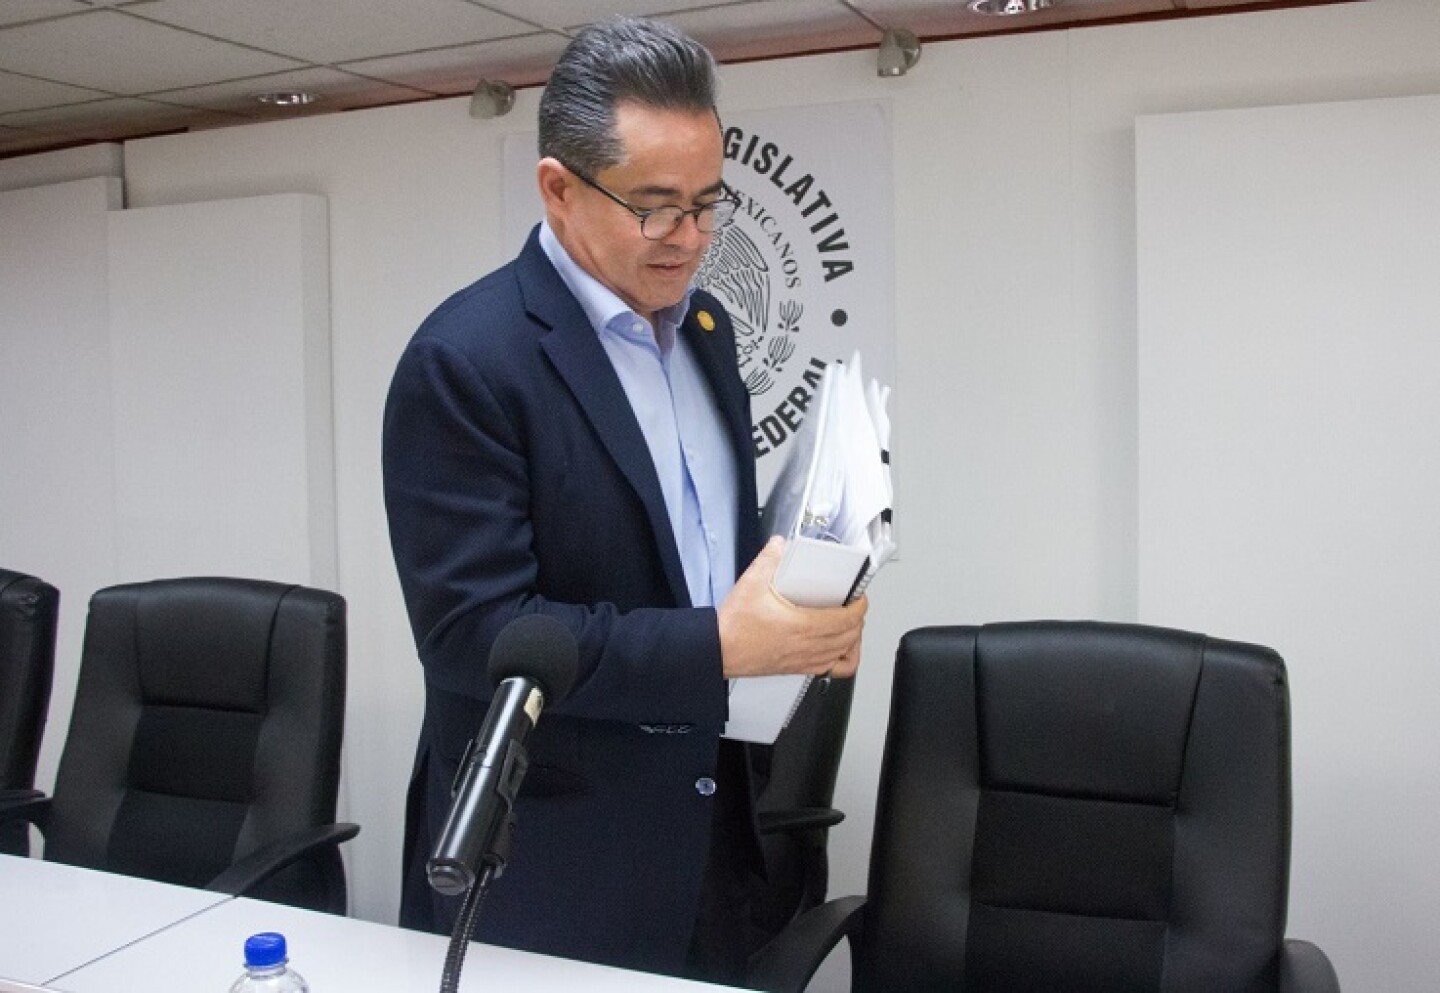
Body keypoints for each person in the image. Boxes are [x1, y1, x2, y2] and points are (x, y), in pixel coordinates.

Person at [382, 16, 866, 984]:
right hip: (556, 876)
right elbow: (478, 634)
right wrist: (723, 645)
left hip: (717, 850)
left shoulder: (710, 329)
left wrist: (806, 597)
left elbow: (699, 556)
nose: (690, 239)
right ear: (559, 191)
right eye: (656, 207)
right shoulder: (465, 364)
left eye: (707, 203)